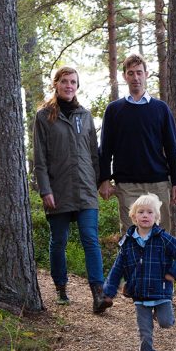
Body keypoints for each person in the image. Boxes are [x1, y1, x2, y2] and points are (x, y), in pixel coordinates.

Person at [33, 66, 112, 314]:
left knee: (91, 240)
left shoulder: (85, 115)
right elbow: (40, 158)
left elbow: (93, 153)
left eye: (73, 82)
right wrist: (45, 190)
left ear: (77, 86)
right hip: (58, 190)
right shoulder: (44, 116)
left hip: (86, 189)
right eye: (65, 81)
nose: (69, 86)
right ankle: (60, 287)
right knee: (59, 241)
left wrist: (100, 181)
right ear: (56, 84)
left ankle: (98, 294)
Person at [98, 54, 176, 232]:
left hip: (158, 184)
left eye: (139, 72)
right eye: (131, 73)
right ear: (124, 76)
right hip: (127, 185)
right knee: (131, 239)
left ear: (146, 74)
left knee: (159, 237)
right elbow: (105, 148)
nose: (135, 77)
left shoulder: (161, 109)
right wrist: (104, 179)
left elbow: (171, 148)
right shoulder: (114, 110)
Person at [102, 193, 176, 351]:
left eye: (150, 212)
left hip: (161, 290)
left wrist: (174, 273)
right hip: (139, 292)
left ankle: (160, 313)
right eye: (141, 212)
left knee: (166, 322)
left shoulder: (163, 239)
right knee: (144, 329)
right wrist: (108, 291)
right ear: (134, 217)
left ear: (156, 217)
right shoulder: (128, 242)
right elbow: (117, 267)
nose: (145, 215)